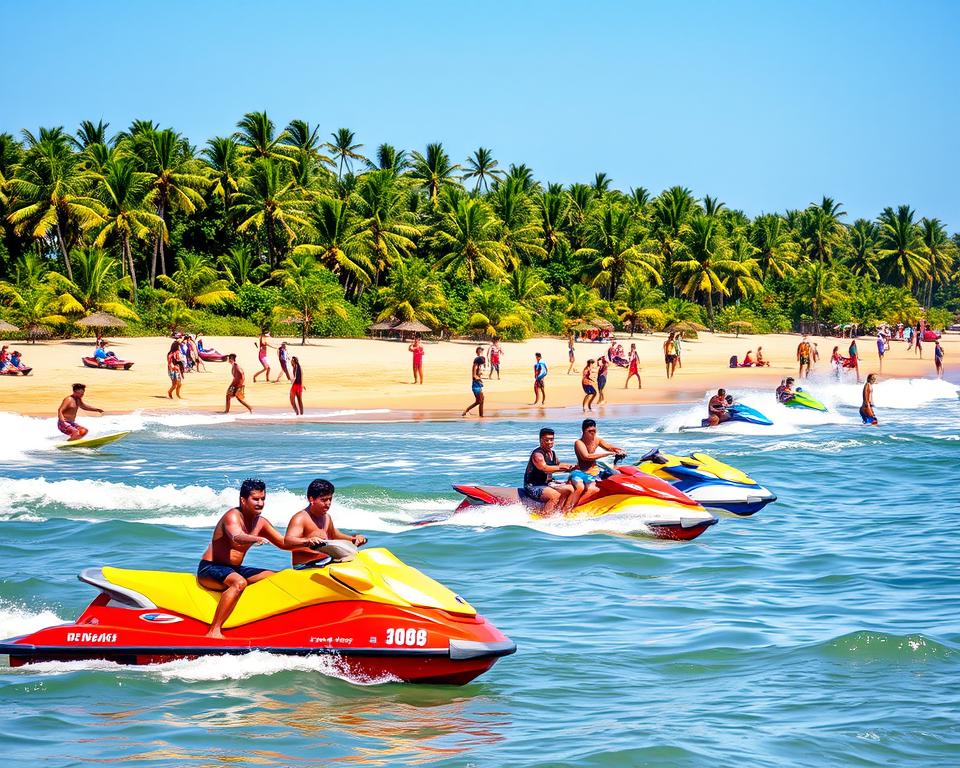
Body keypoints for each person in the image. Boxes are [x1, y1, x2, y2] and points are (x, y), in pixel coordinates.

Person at [197, 478, 326, 638]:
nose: (260, 503)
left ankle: (264, 623)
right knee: (239, 583)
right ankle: (214, 630)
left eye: (263, 499)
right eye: (255, 499)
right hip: (210, 567)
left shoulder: (261, 523)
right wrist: (255, 538)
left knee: (277, 577)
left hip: (234, 569)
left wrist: (308, 542)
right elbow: (236, 536)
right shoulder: (232, 516)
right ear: (243, 500)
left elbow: (284, 543)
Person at [284, 478, 368, 567]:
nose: (328, 503)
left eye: (330, 499)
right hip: (305, 566)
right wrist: (308, 541)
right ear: (311, 499)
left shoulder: (327, 517)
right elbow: (288, 540)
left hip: (326, 562)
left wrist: (353, 539)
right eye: (323, 500)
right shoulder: (301, 518)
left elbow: (334, 535)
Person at [567, 419, 624, 509]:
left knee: (617, 475)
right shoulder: (579, 443)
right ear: (583, 431)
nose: (592, 433)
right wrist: (607, 454)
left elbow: (609, 447)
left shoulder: (597, 440)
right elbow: (586, 457)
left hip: (596, 471)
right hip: (584, 472)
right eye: (589, 431)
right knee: (590, 489)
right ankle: (576, 508)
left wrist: (618, 450)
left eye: (594, 431)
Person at [522, 428, 576, 515]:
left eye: (551, 439)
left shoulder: (552, 453)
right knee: (555, 495)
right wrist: (562, 468)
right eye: (546, 440)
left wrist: (574, 467)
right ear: (541, 440)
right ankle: (545, 517)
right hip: (533, 486)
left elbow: (559, 464)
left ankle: (560, 512)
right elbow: (545, 468)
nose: (550, 442)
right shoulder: (537, 455)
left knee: (570, 489)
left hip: (547, 483)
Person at [462, 347, 485, 417]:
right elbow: (474, 376)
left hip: (478, 385)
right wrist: (479, 379)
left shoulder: (478, 365)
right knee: (479, 401)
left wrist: (480, 375)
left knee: (481, 400)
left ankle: (481, 416)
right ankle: (466, 410)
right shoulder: (475, 365)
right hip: (475, 385)